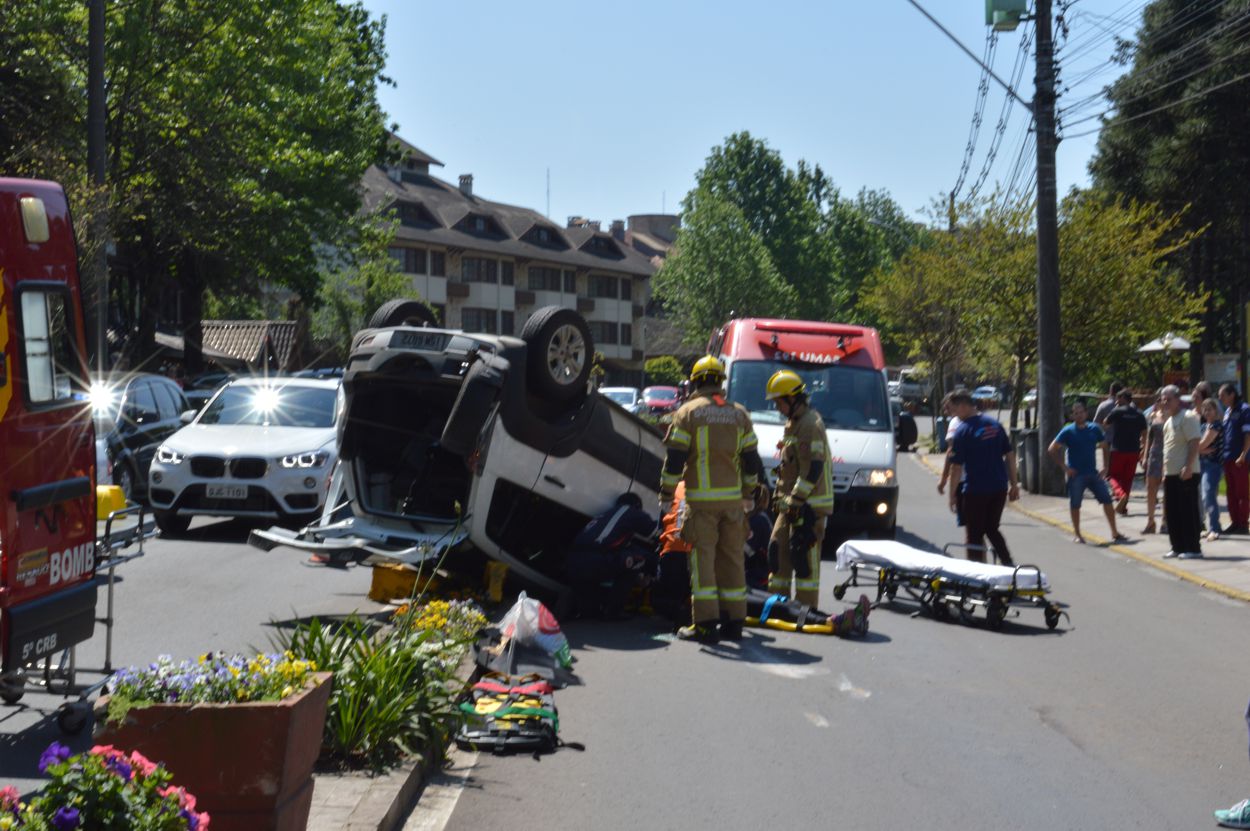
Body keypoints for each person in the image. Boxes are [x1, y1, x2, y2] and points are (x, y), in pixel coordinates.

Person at [659, 356, 762, 644]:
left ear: (696, 381)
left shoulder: (688, 413)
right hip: (733, 504)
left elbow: (675, 460)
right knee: (732, 560)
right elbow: (751, 461)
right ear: (719, 382)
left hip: (701, 504)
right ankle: (734, 623)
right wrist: (748, 495)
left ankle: (704, 626)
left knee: (703, 562)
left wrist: (666, 495)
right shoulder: (739, 414)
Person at [765, 369, 834, 608]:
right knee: (778, 553)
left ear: (792, 398)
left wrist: (795, 500)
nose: (776, 407)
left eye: (778, 402)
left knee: (804, 559)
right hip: (791, 505)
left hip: (809, 507)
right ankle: (778, 606)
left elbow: (812, 470)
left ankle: (806, 610)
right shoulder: (794, 423)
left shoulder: (809, 424)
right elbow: (791, 465)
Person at [945, 390, 1019, 564]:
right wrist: (1014, 484)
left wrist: (952, 496)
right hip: (999, 488)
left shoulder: (963, 431)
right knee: (992, 529)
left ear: (963, 406)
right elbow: (1009, 455)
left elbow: (956, 468)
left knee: (974, 535)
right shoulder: (995, 425)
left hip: (976, 490)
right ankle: (1008, 564)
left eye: (954, 410)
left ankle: (977, 574)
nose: (953, 415)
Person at [565, 492, 658, 619]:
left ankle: (588, 608)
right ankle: (613, 611)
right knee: (639, 559)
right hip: (593, 561)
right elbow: (656, 532)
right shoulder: (630, 511)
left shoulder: (605, 515)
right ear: (637, 506)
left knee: (591, 613)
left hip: (573, 562)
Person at [1048, 401, 1127, 544]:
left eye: (1081, 412)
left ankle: (1115, 532)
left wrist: (1106, 467)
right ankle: (1078, 534)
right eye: (1075, 413)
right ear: (1072, 415)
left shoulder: (1094, 429)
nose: (1078, 415)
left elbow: (1104, 447)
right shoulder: (1068, 431)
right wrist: (1065, 467)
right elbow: (1052, 449)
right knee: (1075, 504)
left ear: (1086, 413)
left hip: (1093, 473)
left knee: (1107, 500)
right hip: (1076, 475)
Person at [1160, 384, 1203, 558]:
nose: (1165, 402)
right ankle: (1177, 546)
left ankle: (1193, 548)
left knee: (1188, 511)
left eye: (1169, 399)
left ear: (1178, 399)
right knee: (1172, 511)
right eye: (1163, 399)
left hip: (1186, 473)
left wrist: (1188, 466)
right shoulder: (1168, 421)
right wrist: (1164, 471)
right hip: (1170, 473)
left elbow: (1194, 442)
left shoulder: (1188, 417)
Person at [1103, 389, 1148, 515]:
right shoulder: (1139, 414)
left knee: (1112, 476)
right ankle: (1123, 507)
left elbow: (1105, 423)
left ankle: (1120, 495)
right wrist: (1143, 448)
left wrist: (1116, 411)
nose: (1117, 401)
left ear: (1123, 398)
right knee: (1127, 479)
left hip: (1118, 450)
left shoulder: (1117, 411)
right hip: (1134, 451)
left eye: (1118, 398)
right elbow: (1145, 433)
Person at [1220, 383, 1250, 535]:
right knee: (1230, 492)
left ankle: (1243, 524)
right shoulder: (1227, 411)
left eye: (1223, 395)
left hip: (1239, 458)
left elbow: (1247, 434)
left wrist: (1243, 455)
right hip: (1227, 456)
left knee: (1242, 493)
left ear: (1232, 394)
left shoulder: (1244, 409)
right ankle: (1235, 522)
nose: (1221, 399)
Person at [1198, 397, 1225, 542]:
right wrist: (1200, 449)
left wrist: (1199, 449)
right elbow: (1199, 446)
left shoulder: (1216, 426)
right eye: (1204, 409)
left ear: (1216, 410)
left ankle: (1214, 529)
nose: (1206, 412)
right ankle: (1213, 527)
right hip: (1202, 464)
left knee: (1208, 495)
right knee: (1206, 497)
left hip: (1213, 465)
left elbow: (1201, 444)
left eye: (1209, 409)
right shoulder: (1203, 426)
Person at [936, 397, 966, 527]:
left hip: (964, 482)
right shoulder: (984, 421)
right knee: (984, 526)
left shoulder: (955, 422)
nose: (946, 411)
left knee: (971, 528)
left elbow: (952, 455)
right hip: (989, 482)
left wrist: (944, 481)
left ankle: (978, 547)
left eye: (948, 408)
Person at [1141, 392, 1167, 534]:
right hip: (1154, 453)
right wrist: (1145, 456)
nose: (1161, 402)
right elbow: (1149, 438)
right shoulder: (1153, 417)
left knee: (1166, 488)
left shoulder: (1171, 416)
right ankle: (1150, 521)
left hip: (1167, 454)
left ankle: (1165, 520)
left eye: (1163, 400)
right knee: (1151, 488)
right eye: (1159, 400)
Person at [743, 485, 773, 592]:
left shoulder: (757, 521)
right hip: (759, 574)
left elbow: (747, 552)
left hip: (754, 577)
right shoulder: (761, 518)